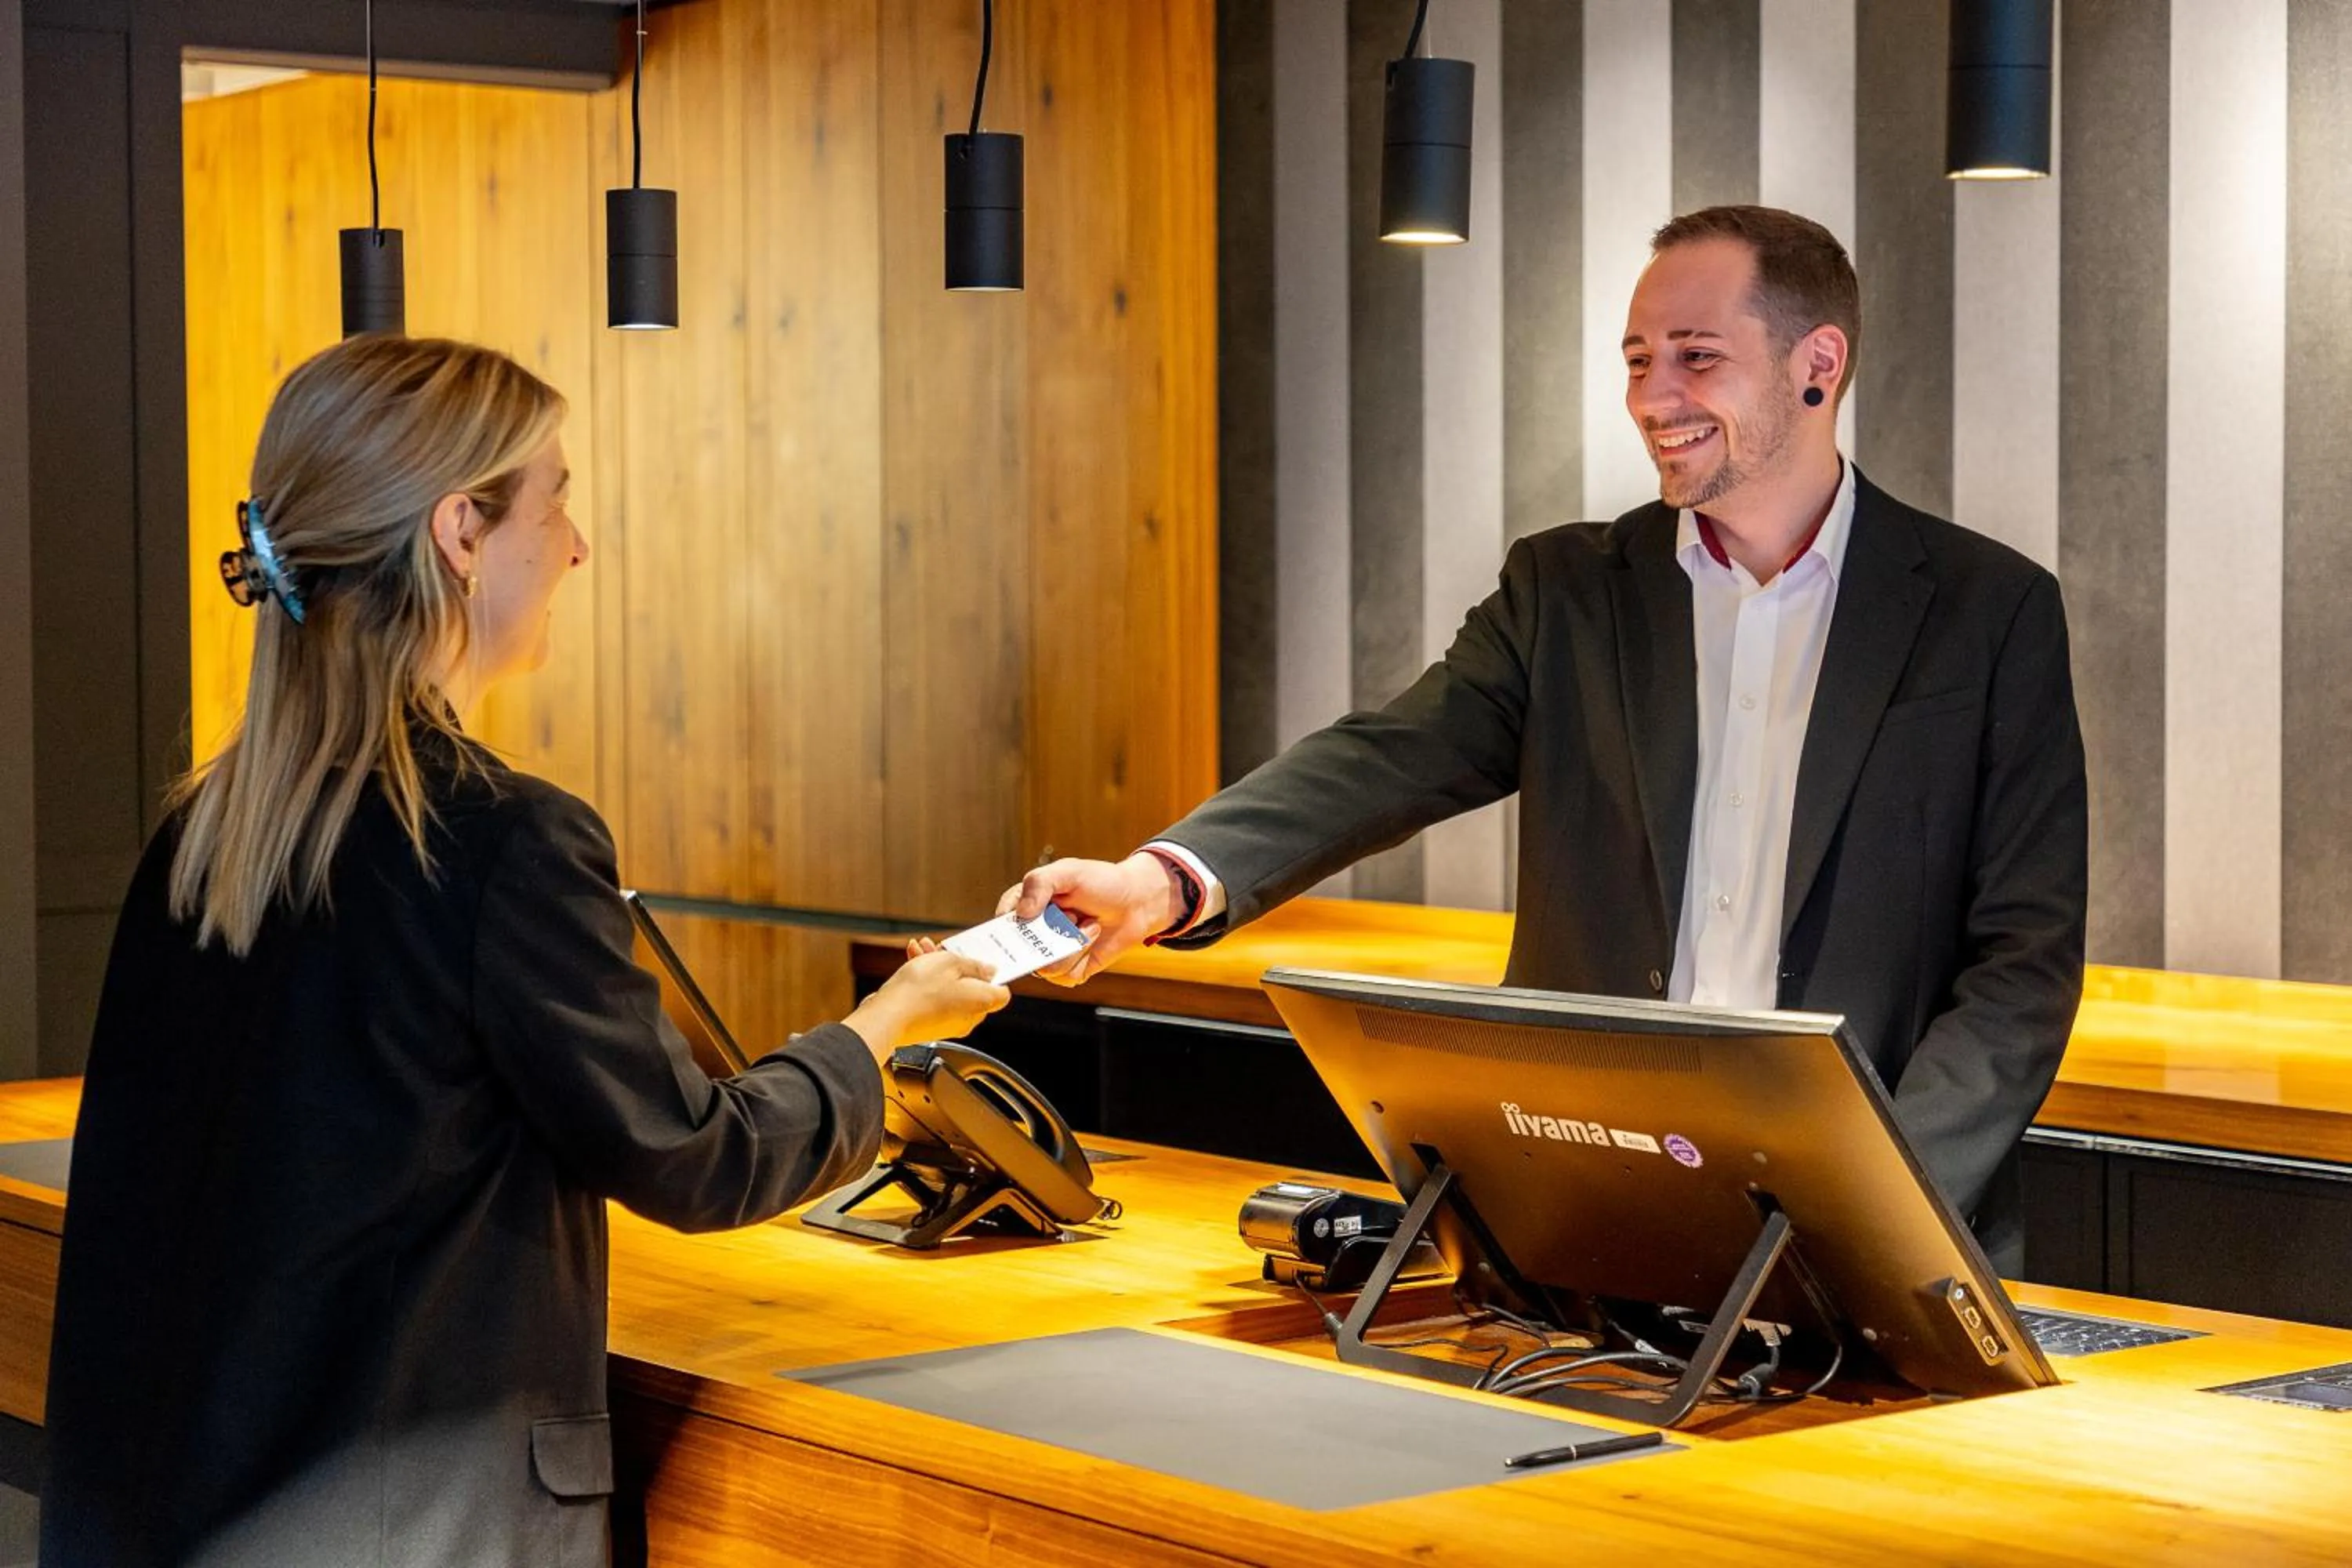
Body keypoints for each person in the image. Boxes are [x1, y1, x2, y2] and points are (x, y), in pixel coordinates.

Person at [39, 336, 1008, 1567]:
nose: (576, 545)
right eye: (554, 500)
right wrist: (888, 1027)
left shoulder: (204, 834)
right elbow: (697, 1161)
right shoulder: (503, 841)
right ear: (459, 532)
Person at [1006, 205, 2087, 1274]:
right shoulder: (1566, 593)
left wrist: (1877, 1207)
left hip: (1869, 1254)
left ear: (1818, 364)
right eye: (1637, 361)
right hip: (1588, 1227)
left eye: (1697, 358)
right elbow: (1392, 755)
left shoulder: (1989, 613)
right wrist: (1162, 883)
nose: (1655, 398)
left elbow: (2022, 967)